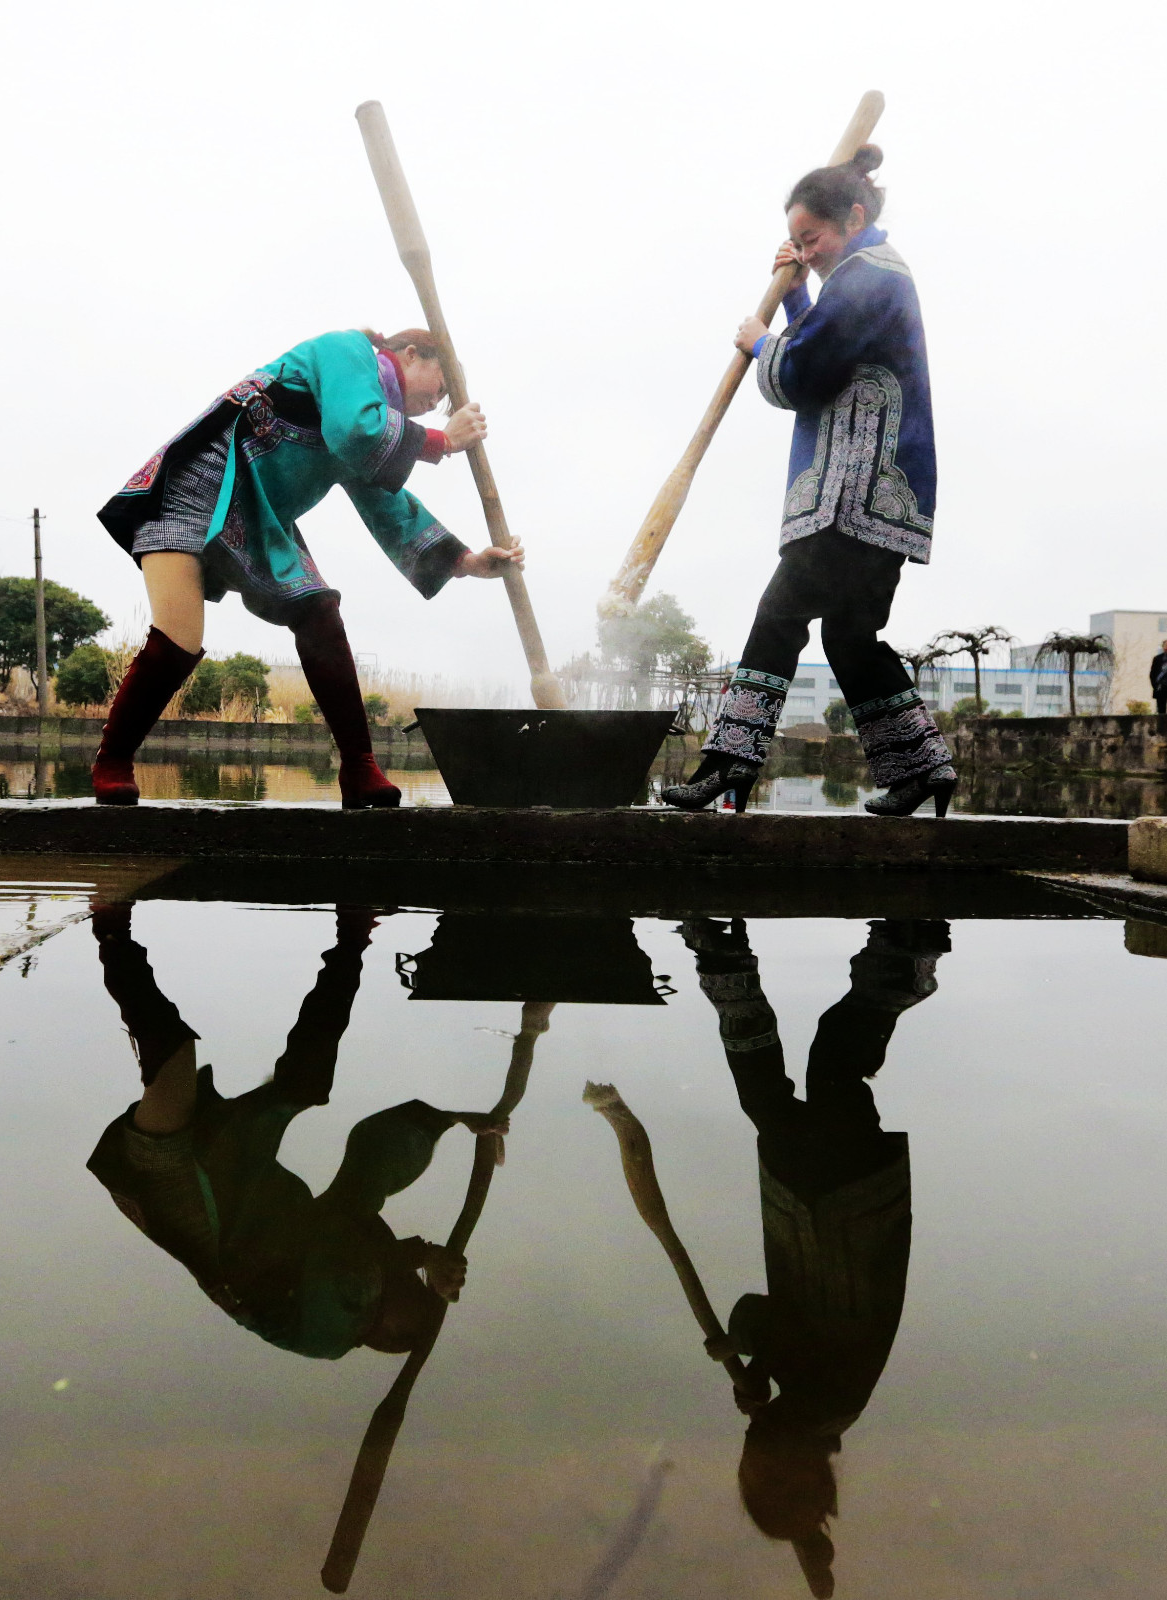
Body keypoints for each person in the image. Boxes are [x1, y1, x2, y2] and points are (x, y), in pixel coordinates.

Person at [90, 328, 521, 808]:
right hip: (199, 485)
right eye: (437, 389)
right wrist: (442, 441)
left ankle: (359, 769)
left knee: (320, 614)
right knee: (179, 637)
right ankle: (112, 761)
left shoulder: (373, 426)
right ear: (410, 353)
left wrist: (466, 562)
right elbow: (354, 429)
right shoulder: (348, 351)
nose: (431, 403)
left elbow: (389, 505)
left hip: (260, 515)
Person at [663, 147, 955, 818]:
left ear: (851, 218)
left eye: (810, 238)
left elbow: (802, 373)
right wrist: (796, 291)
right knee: (848, 637)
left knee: (779, 616)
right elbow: (827, 340)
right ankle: (922, 769)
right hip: (878, 500)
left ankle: (727, 762)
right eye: (795, 241)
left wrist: (759, 340)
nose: (805, 249)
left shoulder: (867, 276)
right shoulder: (867, 275)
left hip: (850, 495)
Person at [85, 902, 505, 1358]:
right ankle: (353, 936)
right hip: (234, 1164)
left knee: (172, 1055)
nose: (422, 1298)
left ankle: (111, 932)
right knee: (305, 1082)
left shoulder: (328, 1334)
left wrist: (426, 1257)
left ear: (387, 1334)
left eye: (416, 1315)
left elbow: (341, 1264)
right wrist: (449, 1119)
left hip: (180, 1188)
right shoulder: (372, 1265)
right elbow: (368, 1175)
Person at [680, 915, 949, 1597]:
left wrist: (753, 1362)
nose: (749, 1456)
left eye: (748, 1469)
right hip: (844, 1198)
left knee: (780, 1092)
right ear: (808, 1468)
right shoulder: (829, 1403)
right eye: (763, 1471)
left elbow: (761, 1312)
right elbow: (775, 1330)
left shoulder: (808, 1403)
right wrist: (750, 1361)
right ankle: (901, 958)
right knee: (830, 1066)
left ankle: (729, 963)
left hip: (806, 1198)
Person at [1150, 640, 1167, 716]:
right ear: (1163, 647)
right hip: (1160, 688)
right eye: (1165, 646)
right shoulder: (1157, 659)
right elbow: (1152, 674)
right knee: (1161, 711)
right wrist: (1155, 685)